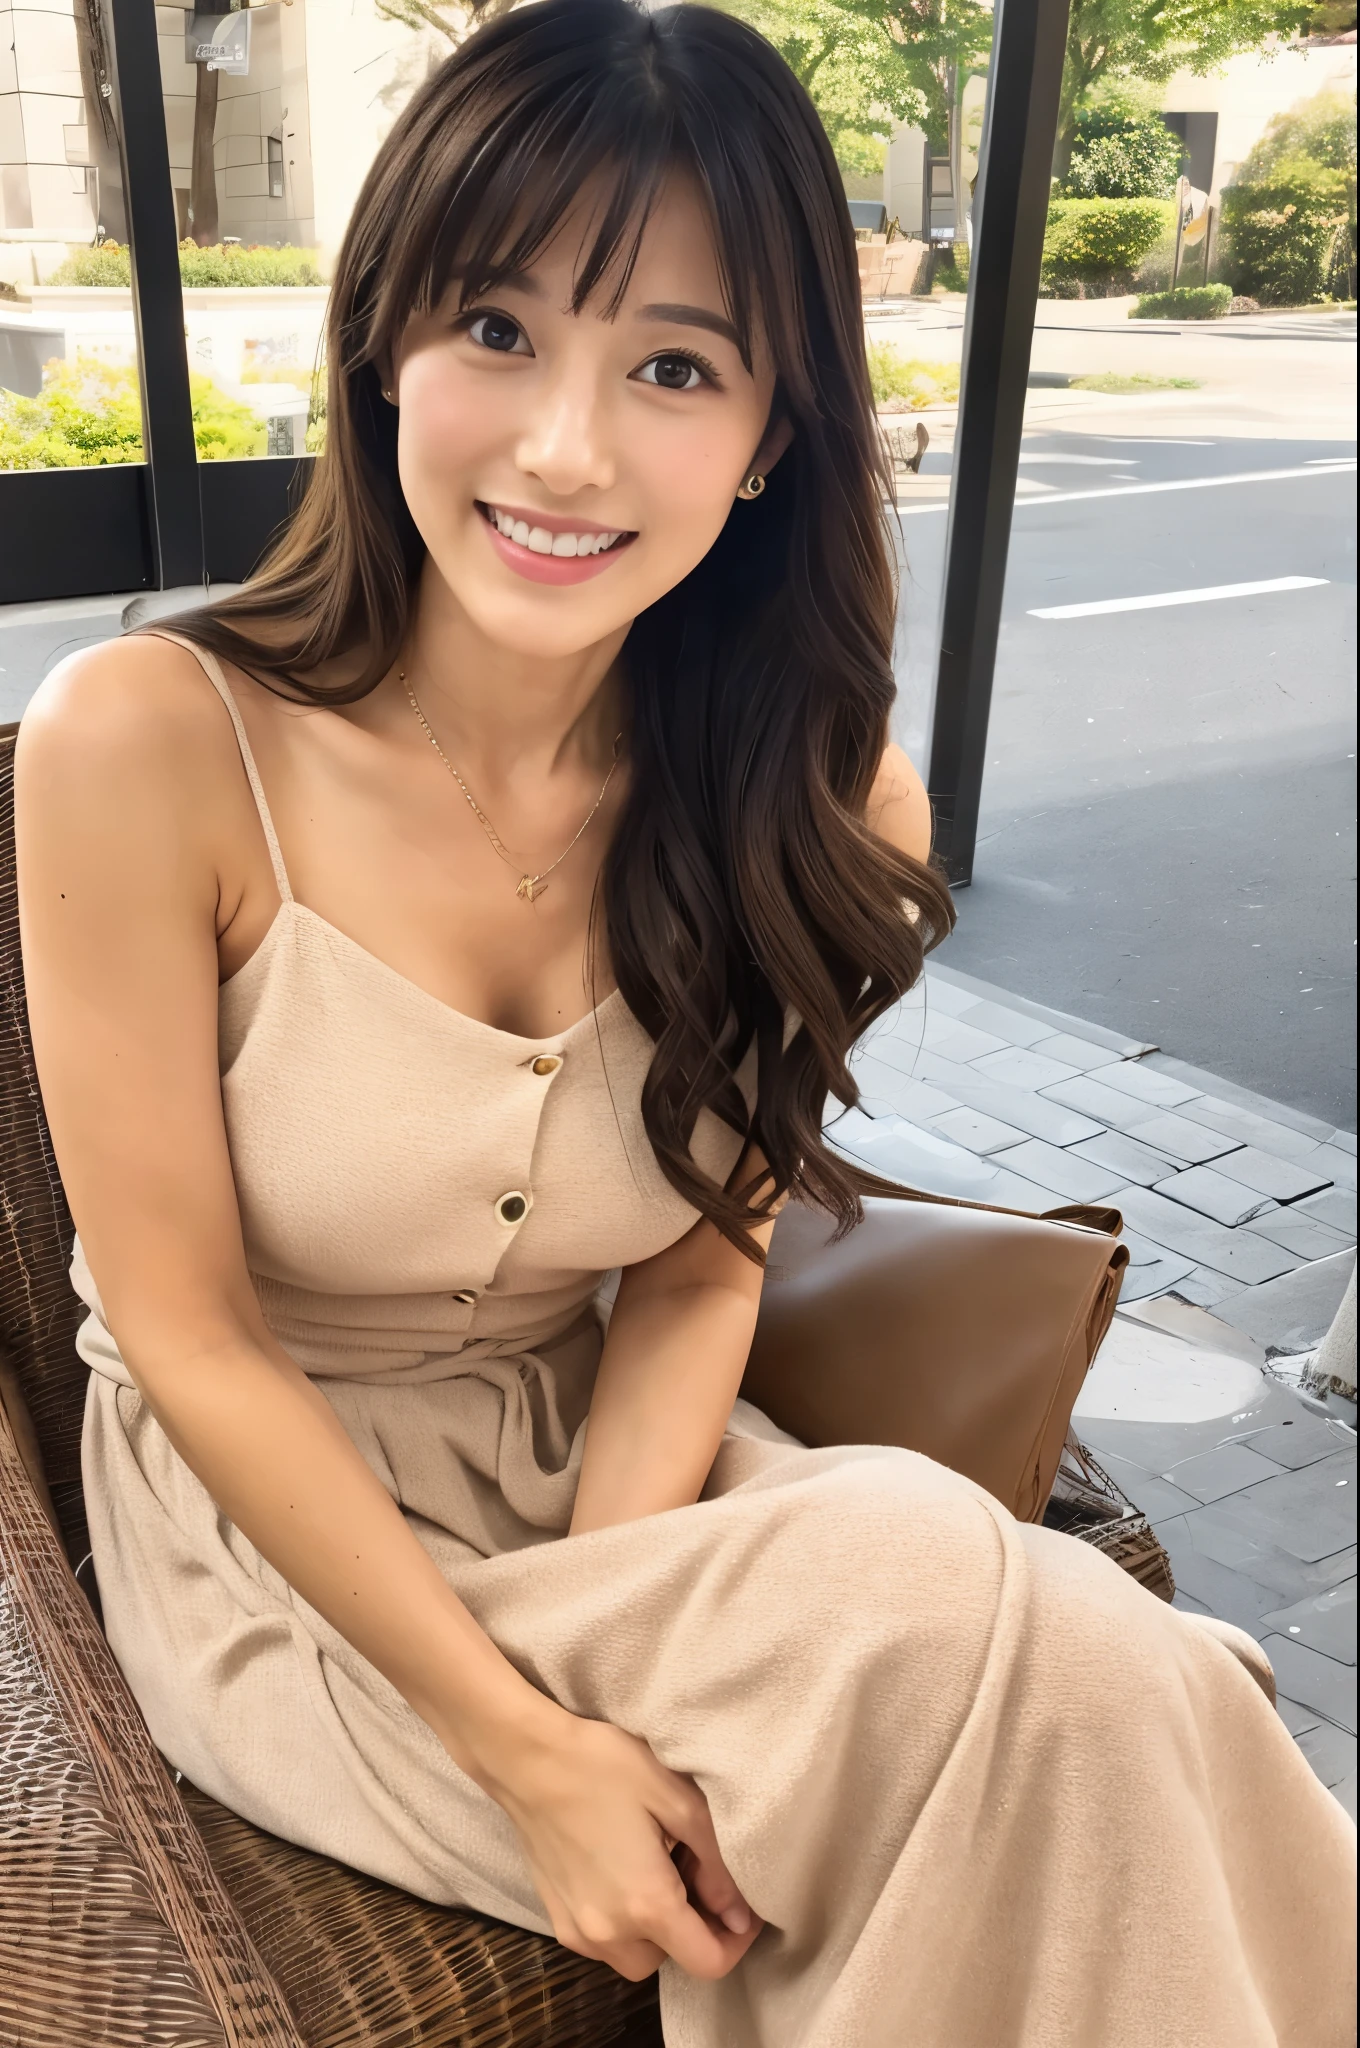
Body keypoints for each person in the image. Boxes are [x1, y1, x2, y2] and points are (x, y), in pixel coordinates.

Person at [15, 3, 1354, 2041]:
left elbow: (688, 1277)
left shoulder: (813, 802)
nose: (564, 445)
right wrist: (527, 1740)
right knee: (1060, 1681)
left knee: (1013, 1653)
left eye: (668, 365)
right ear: (381, 344)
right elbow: (186, 1331)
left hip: (611, 1474)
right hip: (278, 1543)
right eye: (493, 331)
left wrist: (609, 1614)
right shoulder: (152, 746)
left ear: (767, 438)